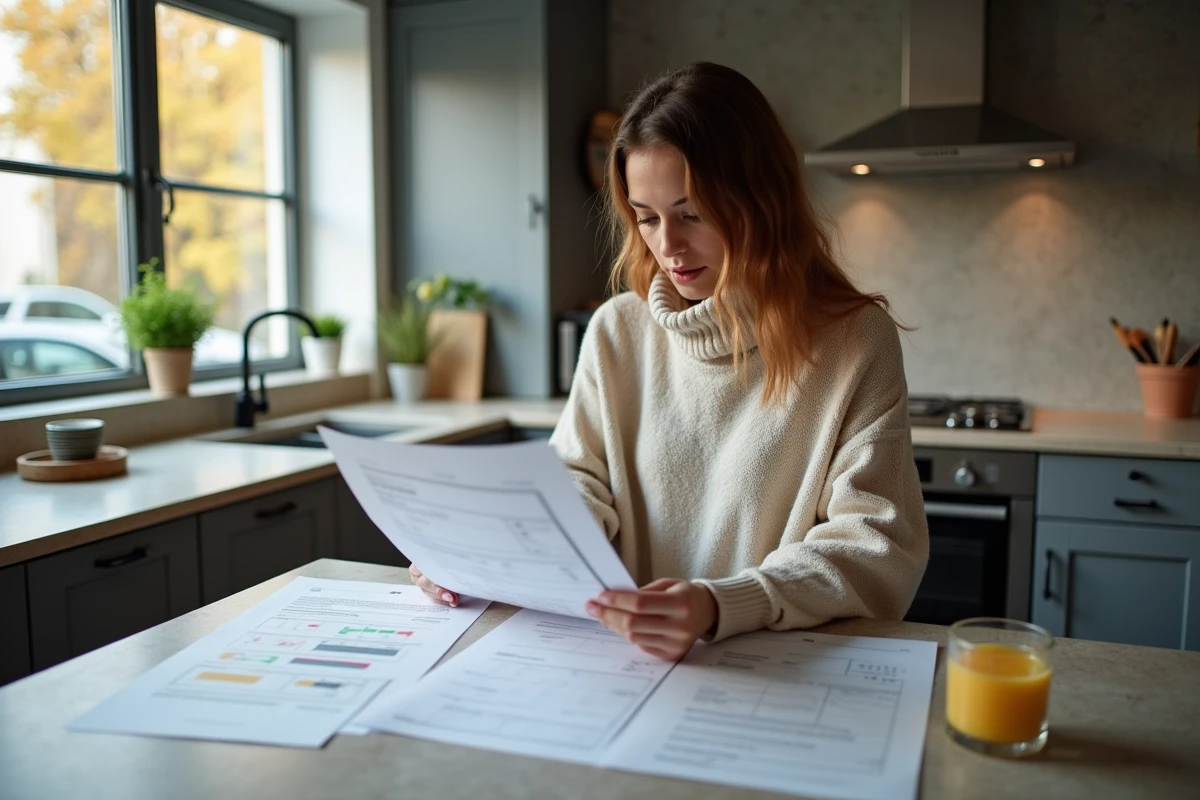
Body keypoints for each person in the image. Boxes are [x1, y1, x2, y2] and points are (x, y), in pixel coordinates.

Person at [410, 61, 928, 660]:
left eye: (693, 213)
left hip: (775, 670)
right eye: (647, 217)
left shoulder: (854, 338)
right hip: (625, 665)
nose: (668, 246)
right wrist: (478, 552)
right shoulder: (617, 330)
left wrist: (721, 604)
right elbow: (578, 484)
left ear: (761, 201)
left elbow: (876, 544)